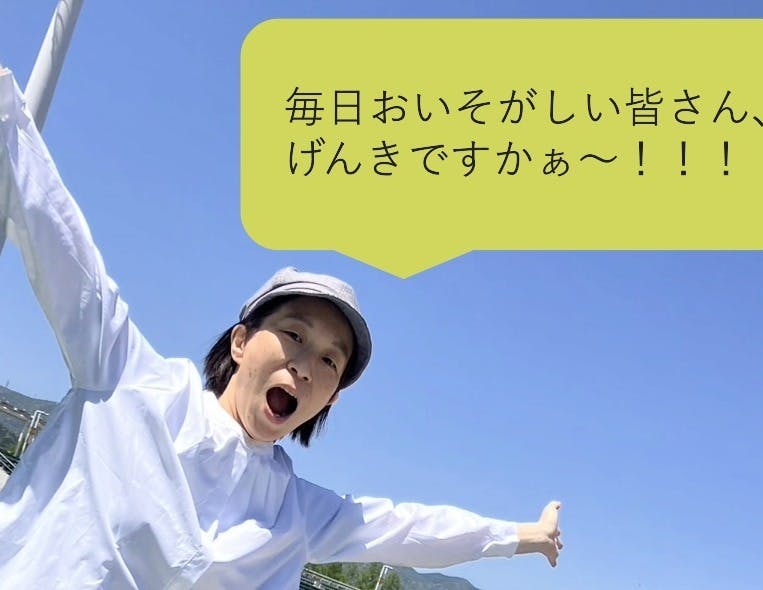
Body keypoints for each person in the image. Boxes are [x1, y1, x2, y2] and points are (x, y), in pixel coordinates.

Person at [0, 68, 562, 589]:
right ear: (241, 342)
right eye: (295, 335)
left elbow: (410, 529)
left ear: (329, 399)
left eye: (330, 361)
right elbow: (66, 251)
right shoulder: (133, 383)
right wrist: (7, 109)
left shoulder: (293, 512)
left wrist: (524, 536)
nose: (306, 366)